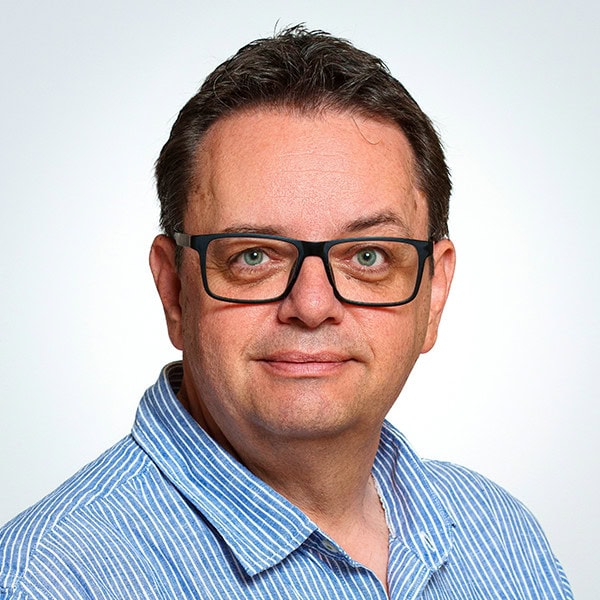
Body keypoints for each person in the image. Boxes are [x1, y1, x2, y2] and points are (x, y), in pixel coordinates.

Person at [0, 26, 572, 599]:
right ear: (174, 290)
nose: (313, 306)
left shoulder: (500, 535)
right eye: (254, 256)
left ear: (434, 292)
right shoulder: (54, 578)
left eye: (368, 257)